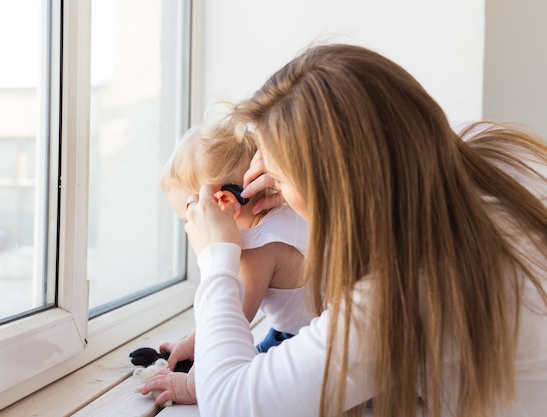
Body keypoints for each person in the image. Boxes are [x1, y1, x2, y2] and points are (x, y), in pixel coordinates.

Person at [161, 43, 547, 417]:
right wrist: (304, 185)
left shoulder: (404, 292)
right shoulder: (488, 148)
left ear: (330, 187)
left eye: (277, 176)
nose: (268, 183)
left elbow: (230, 404)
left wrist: (217, 256)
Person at [144, 117, 313, 405]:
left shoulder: (256, 250)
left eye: (190, 218)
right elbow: (221, 318)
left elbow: (231, 325)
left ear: (222, 201)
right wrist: (192, 341)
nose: (190, 229)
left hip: (304, 348)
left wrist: (191, 384)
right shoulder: (285, 214)